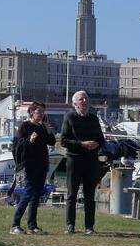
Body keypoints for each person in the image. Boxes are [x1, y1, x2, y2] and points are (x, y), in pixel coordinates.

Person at [62, 90, 105, 234]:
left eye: (86, 99)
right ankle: (70, 225)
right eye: (81, 100)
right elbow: (63, 140)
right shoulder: (70, 117)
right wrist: (82, 144)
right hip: (74, 159)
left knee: (89, 195)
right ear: (75, 104)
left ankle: (89, 227)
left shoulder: (94, 119)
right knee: (72, 194)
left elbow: (101, 139)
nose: (85, 102)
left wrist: (96, 144)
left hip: (91, 160)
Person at [11, 101, 56, 234]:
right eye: (39, 111)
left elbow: (52, 141)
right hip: (30, 164)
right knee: (28, 193)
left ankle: (32, 225)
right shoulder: (25, 126)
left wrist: (48, 129)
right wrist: (29, 140)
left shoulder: (42, 127)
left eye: (43, 112)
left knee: (36, 195)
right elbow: (18, 145)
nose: (41, 114)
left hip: (42, 164)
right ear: (32, 112)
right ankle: (15, 224)